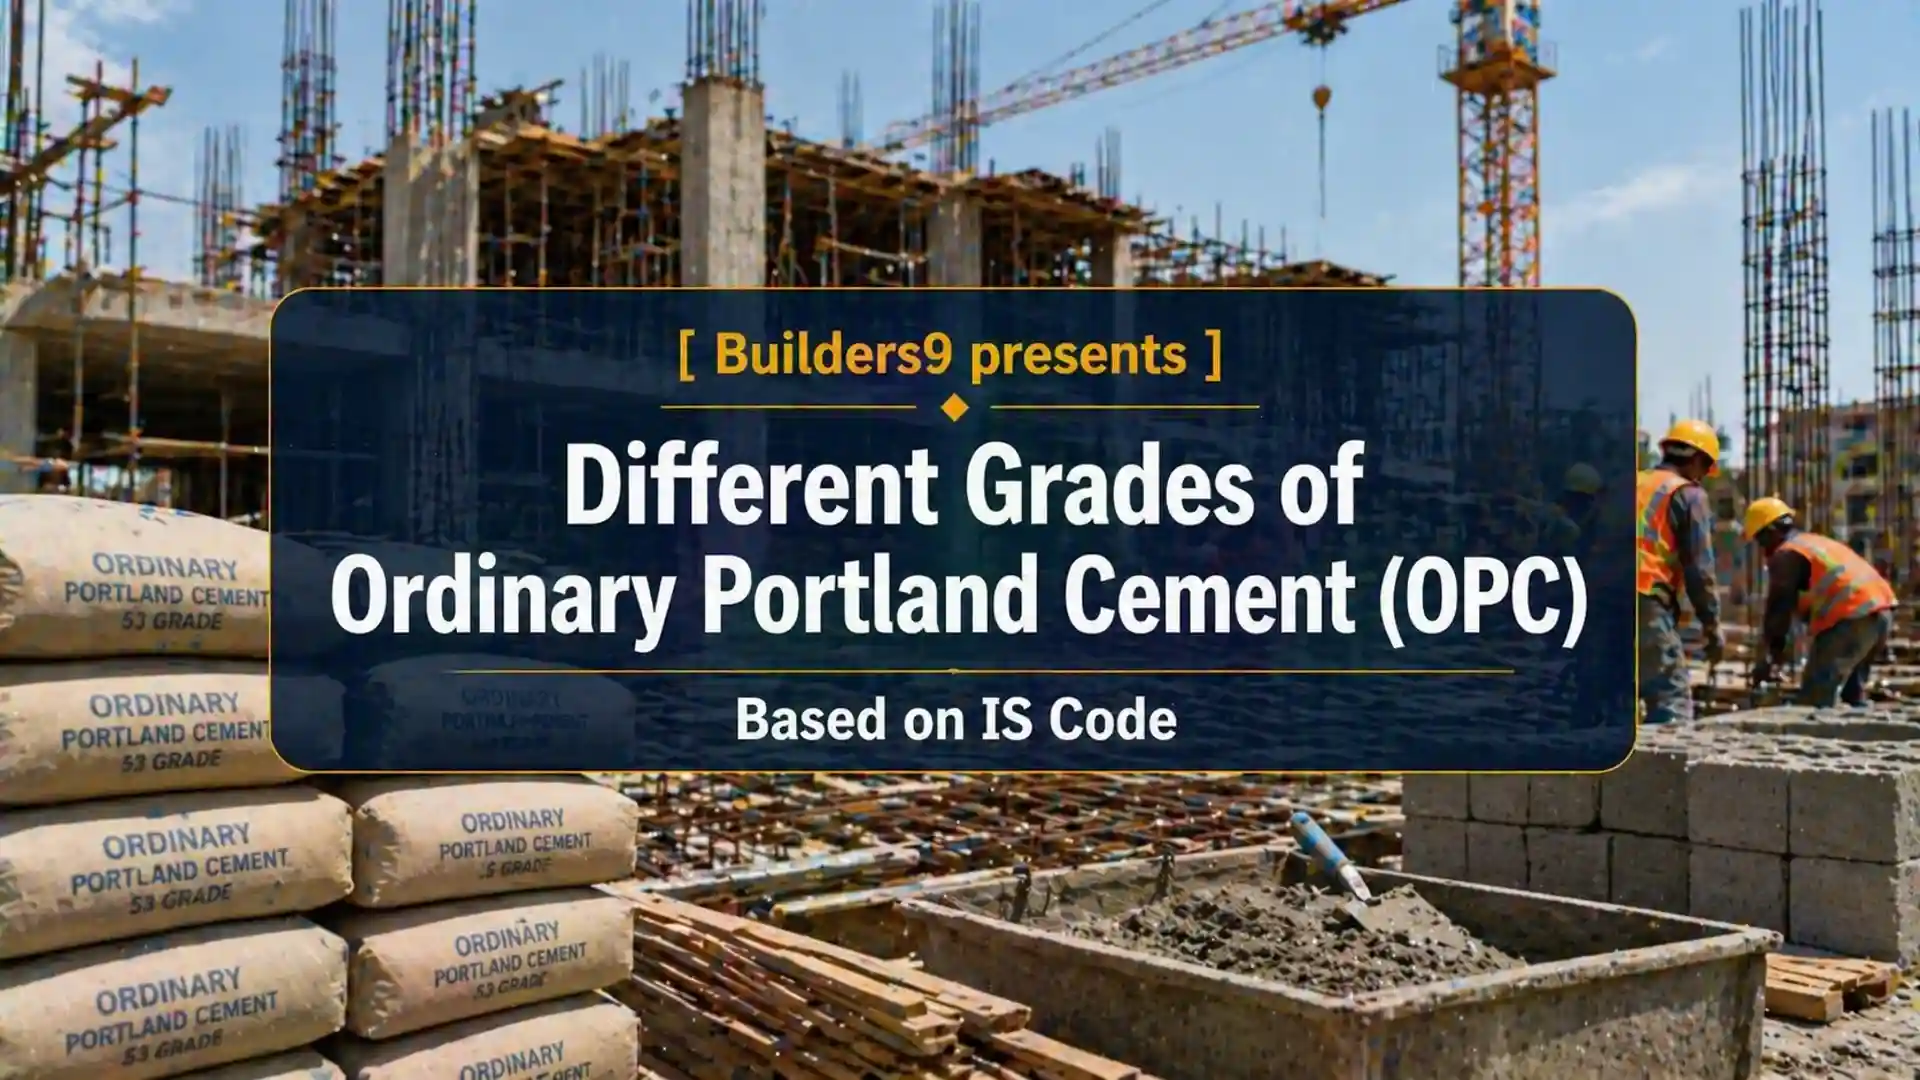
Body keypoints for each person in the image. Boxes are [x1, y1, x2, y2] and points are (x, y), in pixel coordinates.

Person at [1742, 497, 1896, 707]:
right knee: (1852, 694)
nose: (1762, 550)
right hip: (1881, 613)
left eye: (1760, 540)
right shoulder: (1816, 543)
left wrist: (1771, 655)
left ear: (1771, 531)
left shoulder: (1787, 554)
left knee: (1816, 696)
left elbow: (1779, 609)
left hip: (1853, 618)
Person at [1636, 420, 1724, 723]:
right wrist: (1711, 627)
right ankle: (1663, 771)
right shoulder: (1687, 494)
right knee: (1670, 701)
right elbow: (1699, 569)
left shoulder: (1629, 482)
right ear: (1698, 460)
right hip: (1642, 595)